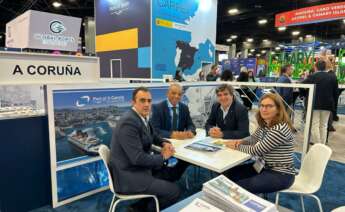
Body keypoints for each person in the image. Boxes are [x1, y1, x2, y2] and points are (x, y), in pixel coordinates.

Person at [110, 87, 184, 211]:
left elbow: (153, 135)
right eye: (142, 100)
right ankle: (146, 209)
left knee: (168, 174)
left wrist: (164, 143)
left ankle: (138, 207)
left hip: (136, 169)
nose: (146, 104)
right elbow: (137, 158)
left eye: (149, 101)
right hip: (129, 176)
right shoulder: (129, 122)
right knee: (174, 191)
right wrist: (163, 157)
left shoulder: (140, 117)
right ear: (133, 102)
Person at [224, 93, 295, 194]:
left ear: (278, 109)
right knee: (229, 173)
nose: (264, 109)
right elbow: (254, 138)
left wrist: (236, 146)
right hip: (263, 166)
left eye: (269, 106)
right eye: (262, 105)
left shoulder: (280, 128)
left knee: (237, 187)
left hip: (280, 173)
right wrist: (241, 141)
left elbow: (257, 150)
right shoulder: (266, 123)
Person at [302, 60, 338, 144]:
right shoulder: (332, 77)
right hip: (328, 105)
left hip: (314, 104)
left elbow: (302, 86)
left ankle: (318, 145)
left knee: (314, 125)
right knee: (324, 125)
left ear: (315, 67)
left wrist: (303, 95)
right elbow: (335, 93)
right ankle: (322, 145)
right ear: (325, 67)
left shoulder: (312, 76)